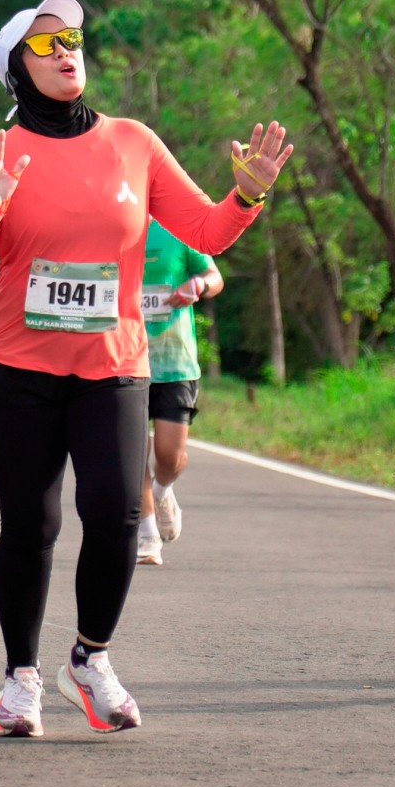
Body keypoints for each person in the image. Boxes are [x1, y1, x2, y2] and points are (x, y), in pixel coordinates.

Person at [0, 0, 289, 739]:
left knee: (119, 511)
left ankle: (89, 658)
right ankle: (20, 680)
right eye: (45, 44)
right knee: (31, 524)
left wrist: (247, 194)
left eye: (72, 38)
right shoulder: (1, 155)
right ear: (15, 69)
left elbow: (206, 231)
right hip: (17, 368)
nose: (66, 51)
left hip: (114, 364)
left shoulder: (133, 141)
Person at [134, 223, 224, 566]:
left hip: (175, 364)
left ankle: (162, 491)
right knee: (133, 455)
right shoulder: (115, 228)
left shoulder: (179, 232)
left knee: (169, 457)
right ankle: (147, 536)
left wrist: (197, 285)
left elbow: (214, 277)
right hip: (126, 362)